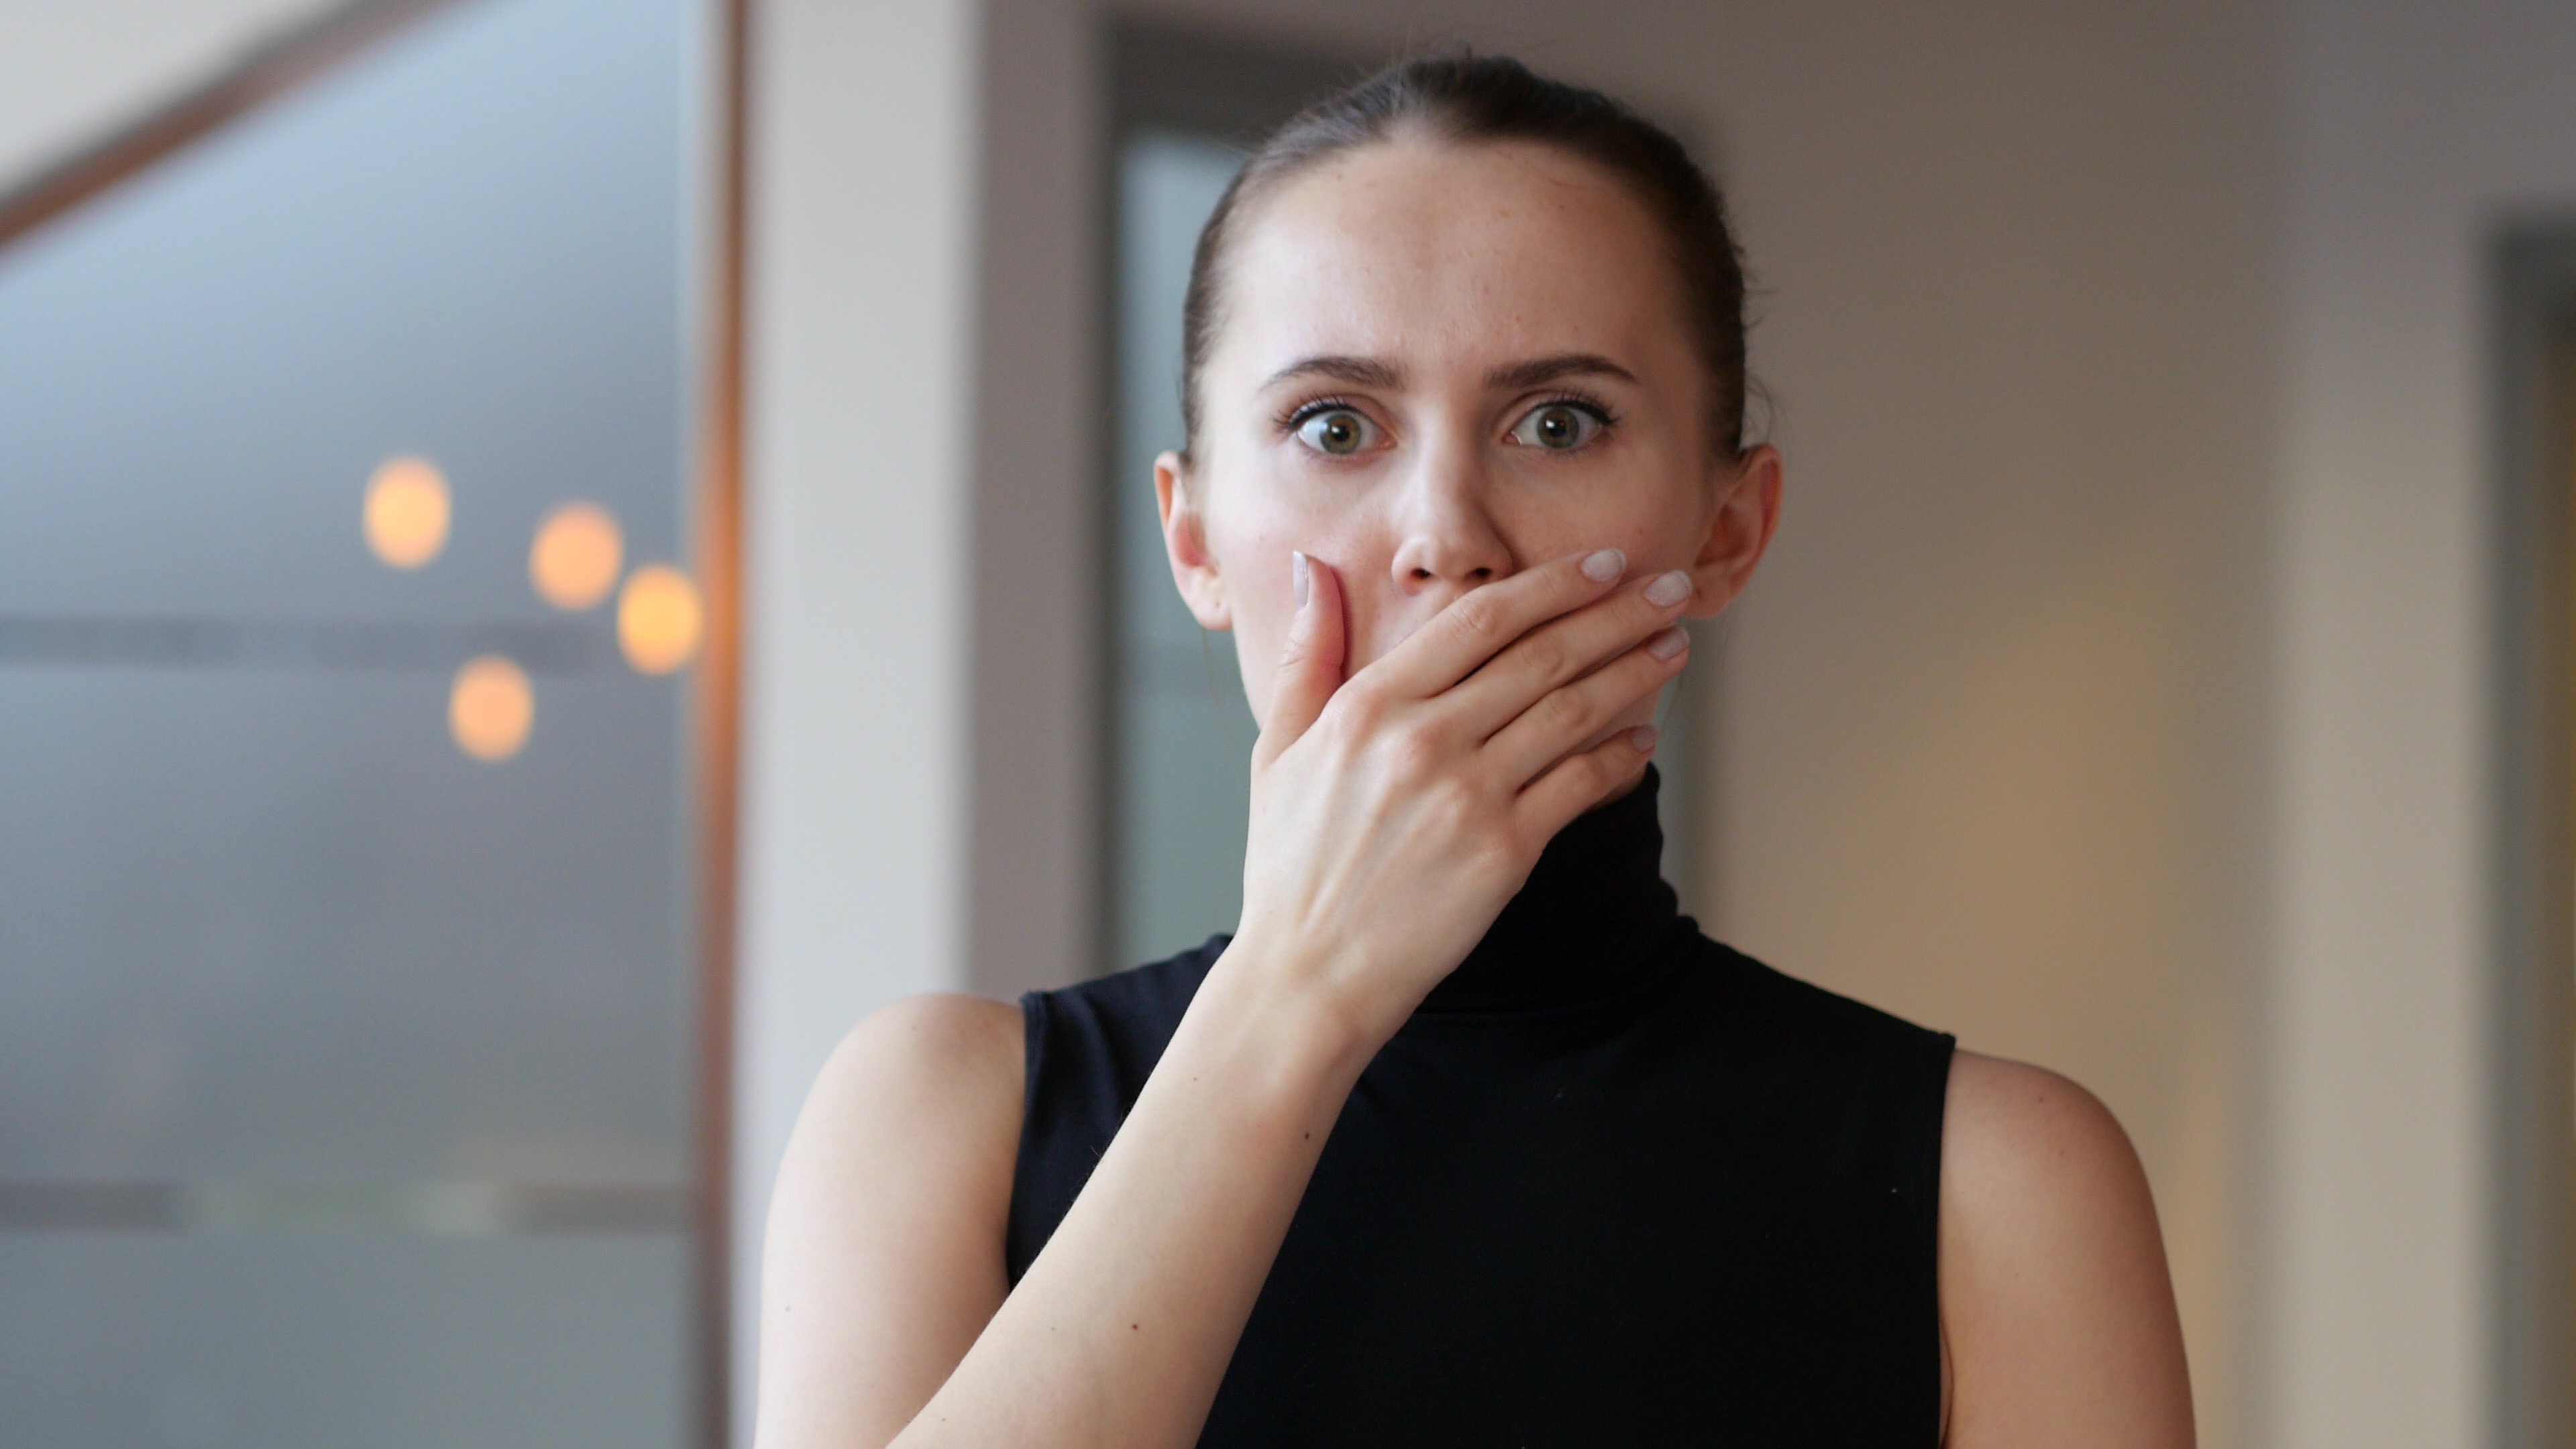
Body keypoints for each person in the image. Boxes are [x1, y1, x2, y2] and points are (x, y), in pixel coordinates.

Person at [755, 53, 2194, 1449]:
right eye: (1334, 425)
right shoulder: (944, 1119)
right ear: (1192, 539)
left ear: (1729, 527)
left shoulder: (1998, 1188)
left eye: (1558, 422)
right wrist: (1298, 991)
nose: (1447, 533)